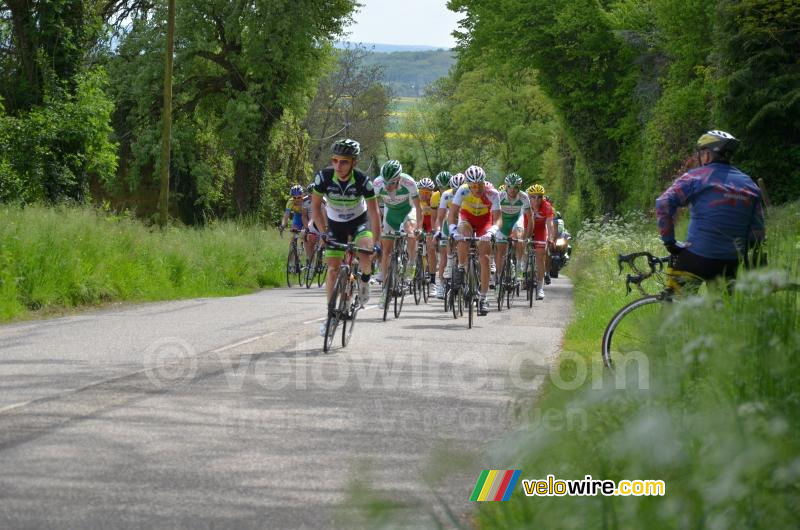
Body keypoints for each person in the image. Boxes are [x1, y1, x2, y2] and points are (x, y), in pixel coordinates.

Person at [655, 129, 765, 292]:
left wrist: (670, 242)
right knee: (719, 312)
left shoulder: (696, 177)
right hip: (730, 260)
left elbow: (663, 202)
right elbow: (757, 233)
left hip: (696, 256)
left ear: (707, 154)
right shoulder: (750, 185)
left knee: (674, 307)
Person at [312, 139, 381, 336]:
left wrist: (376, 243)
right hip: (334, 224)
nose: (338, 166)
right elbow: (316, 208)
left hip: (359, 221)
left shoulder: (362, 180)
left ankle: (365, 282)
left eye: (343, 162)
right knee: (333, 268)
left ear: (353, 162)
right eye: (334, 160)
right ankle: (331, 315)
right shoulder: (323, 178)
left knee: (365, 254)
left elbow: (375, 213)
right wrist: (323, 231)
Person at [448, 165, 501, 315]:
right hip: (467, 219)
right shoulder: (462, 190)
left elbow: (498, 219)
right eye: (472, 186)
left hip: (485, 222)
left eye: (479, 185)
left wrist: (491, 232)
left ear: (484, 183)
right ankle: (460, 267)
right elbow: (452, 214)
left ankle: (483, 298)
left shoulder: (492, 193)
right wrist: (453, 231)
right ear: (468, 184)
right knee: (463, 235)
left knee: (484, 258)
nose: (476, 189)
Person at [372, 160, 423, 309]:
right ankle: (386, 290)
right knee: (386, 250)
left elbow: (419, 208)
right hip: (390, 214)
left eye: (392, 183)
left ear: (399, 179)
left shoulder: (409, 182)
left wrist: (418, 227)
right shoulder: (377, 184)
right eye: (386, 182)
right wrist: (380, 225)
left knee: (410, 231)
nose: (388, 186)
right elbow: (373, 209)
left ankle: (411, 262)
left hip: (408, 211)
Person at [494, 173, 532, 286]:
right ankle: (499, 277)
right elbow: (493, 215)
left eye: (516, 187)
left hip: (516, 221)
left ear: (519, 187)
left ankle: (519, 267)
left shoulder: (524, 197)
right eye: (509, 186)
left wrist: (527, 237)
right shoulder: (499, 196)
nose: (512, 190)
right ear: (505, 186)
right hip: (503, 223)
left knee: (519, 237)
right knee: (500, 252)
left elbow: (530, 218)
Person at [526, 184, 555, 300]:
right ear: (529, 197)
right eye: (533, 197)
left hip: (540, 230)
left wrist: (551, 238)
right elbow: (521, 223)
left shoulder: (547, 207)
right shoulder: (525, 205)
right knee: (521, 243)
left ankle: (540, 287)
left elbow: (550, 224)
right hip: (527, 227)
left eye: (539, 197)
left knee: (540, 255)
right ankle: (523, 266)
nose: (536, 200)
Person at [417, 177, 438, 283]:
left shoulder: (435, 198)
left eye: (427, 192)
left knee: (430, 248)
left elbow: (436, 217)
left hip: (430, 221)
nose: (424, 194)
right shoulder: (415, 197)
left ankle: (433, 278)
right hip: (420, 219)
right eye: (422, 191)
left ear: (432, 192)